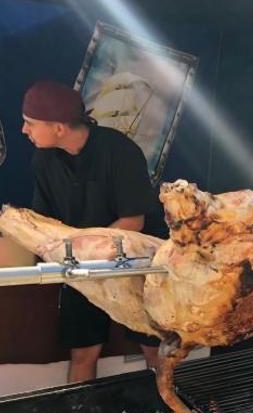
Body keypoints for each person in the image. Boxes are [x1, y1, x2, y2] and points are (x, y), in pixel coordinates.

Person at [22, 80, 162, 382]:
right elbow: (46, 221)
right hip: (81, 267)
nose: (25, 131)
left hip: (135, 266)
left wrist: (88, 255)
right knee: (83, 352)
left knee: (154, 349)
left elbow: (132, 221)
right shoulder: (43, 159)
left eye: (30, 123)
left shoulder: (120, 151)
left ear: (59, 127)